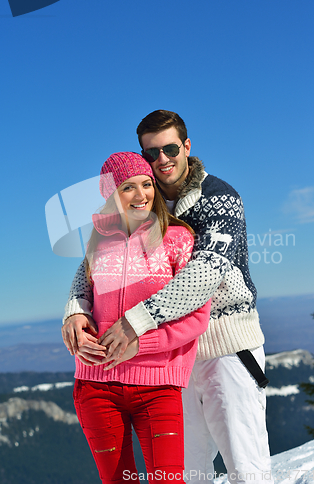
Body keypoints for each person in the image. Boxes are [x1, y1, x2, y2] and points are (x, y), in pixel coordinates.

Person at [62, 111, 273, 484]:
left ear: (187, 147)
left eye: (170, 148)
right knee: (190, 473)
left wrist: (135, 324)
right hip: (169, 361)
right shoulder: (145, 198)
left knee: (246, 468)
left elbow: (205, 272)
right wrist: (75, 308)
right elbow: (94, 264)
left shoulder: (219, 197)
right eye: (152, 153)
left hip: (225, 349)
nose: (162, 160)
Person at [63, 151, 211, 484]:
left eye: (146, 184)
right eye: (128, 187)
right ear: (110, 195)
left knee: (169, 480)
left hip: (158, 387)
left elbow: (197, 316)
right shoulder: (98, 242)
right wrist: (74, 316)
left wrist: (140, 344)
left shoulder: (177, 239)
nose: (141, 194)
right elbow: (83, 294)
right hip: (96, 384)